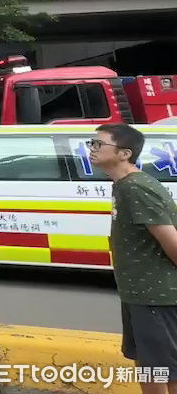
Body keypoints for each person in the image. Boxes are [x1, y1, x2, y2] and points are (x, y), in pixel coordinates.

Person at [91, 122, 177, 394]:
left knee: (164, 368)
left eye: (98, 144)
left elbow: (171, 240)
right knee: (150, 365)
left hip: (156, 296)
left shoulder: (136, 188)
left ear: (124, 153)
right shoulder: (123, 185)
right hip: (139, 294)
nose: (91, 150)